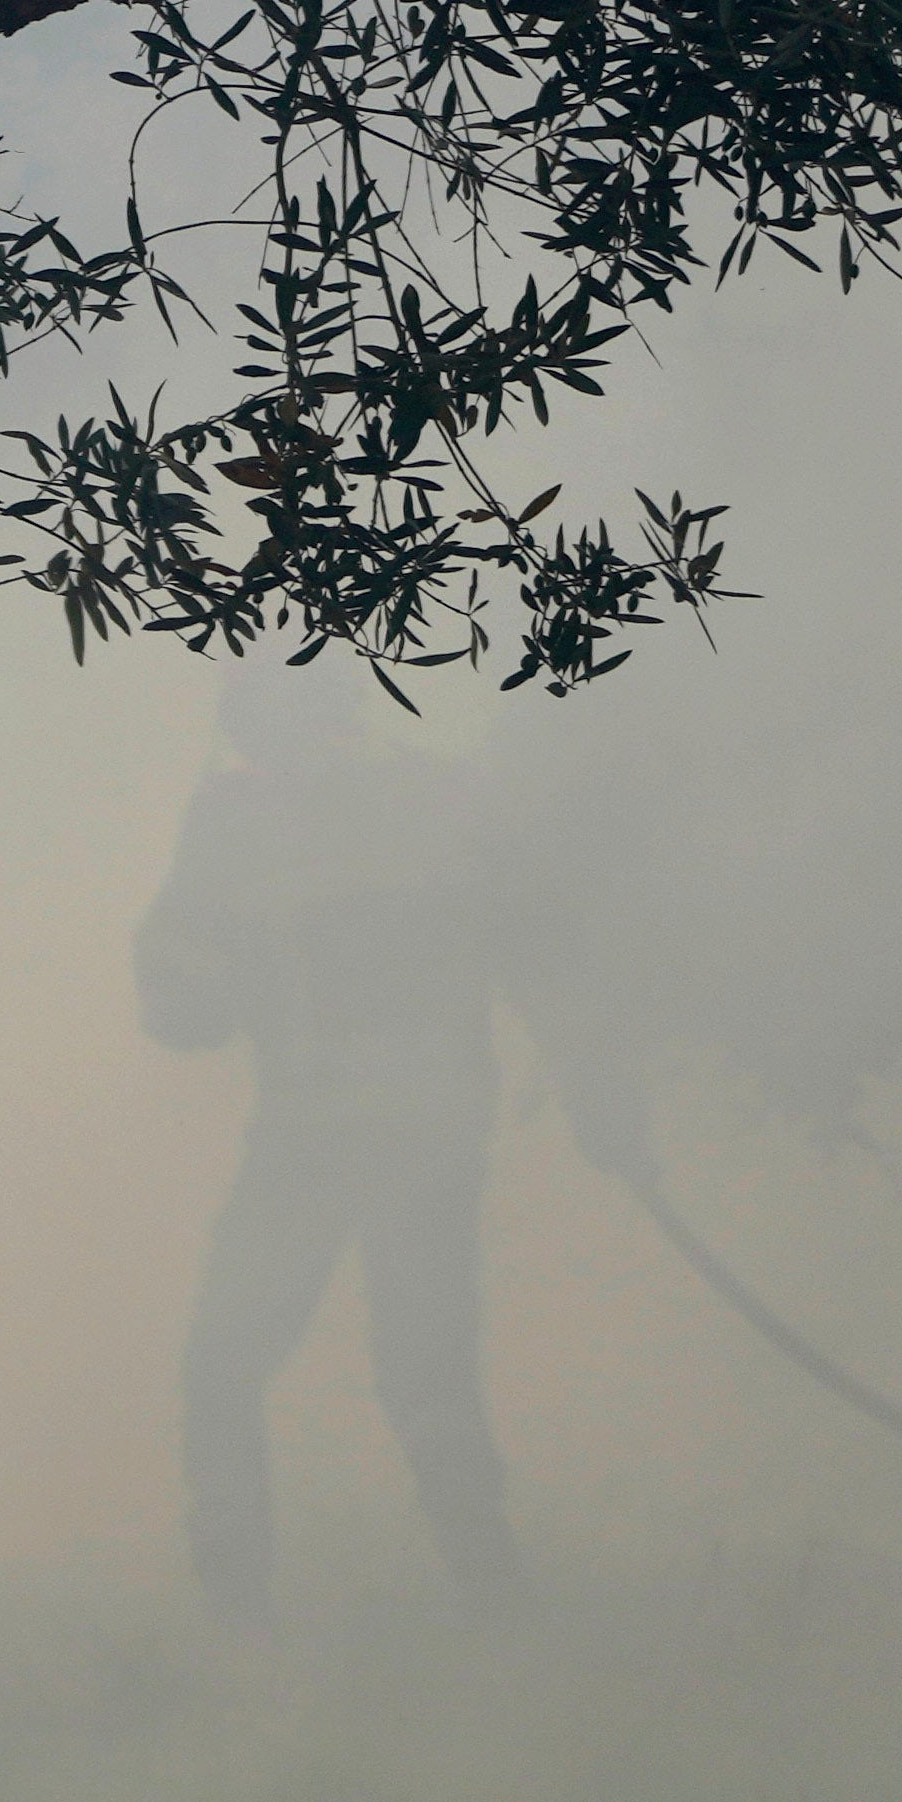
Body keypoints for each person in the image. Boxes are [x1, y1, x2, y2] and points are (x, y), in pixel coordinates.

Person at [134, 681, 527, 1616]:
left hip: (314, 1139)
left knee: (226, 1368)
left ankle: (240, 1620)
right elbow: (544, 951)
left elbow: (188, 1011)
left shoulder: (237, 825)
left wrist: (176, 964)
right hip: (426, 1133)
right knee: (426, 1370)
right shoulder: (446, 795)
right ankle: (499, 1601)